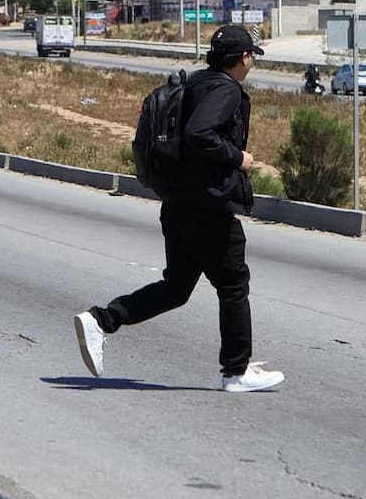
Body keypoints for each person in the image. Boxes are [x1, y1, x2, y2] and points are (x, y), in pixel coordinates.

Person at [74, 25, 284, 393]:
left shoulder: (196, 83)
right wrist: (239, 158)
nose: (251, 63)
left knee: (176, 288)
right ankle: (236, 371)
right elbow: (200, 133)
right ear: (244, 57)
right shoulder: (226, 90)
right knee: (234, 284)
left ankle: (102, 320)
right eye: (251, 56)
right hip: (208, 207)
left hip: (178, 204)